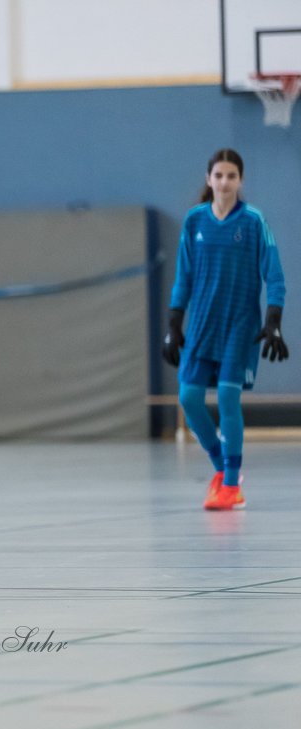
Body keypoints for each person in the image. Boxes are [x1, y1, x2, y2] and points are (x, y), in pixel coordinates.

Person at [162, 148, 287, 511]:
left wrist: (273, 321)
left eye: (232, 176)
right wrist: (173, 324)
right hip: (201, 325)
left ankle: (232, 486)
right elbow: (183, 277)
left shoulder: (252, 221)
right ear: (208, 179)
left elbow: (274, 276)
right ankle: (222, 467)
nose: (225, 182)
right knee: (188, 399)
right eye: (218, 175)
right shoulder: (194, 221)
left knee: (228, 398)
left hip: (239, 325)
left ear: (240, 180)